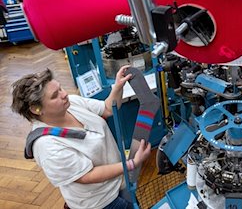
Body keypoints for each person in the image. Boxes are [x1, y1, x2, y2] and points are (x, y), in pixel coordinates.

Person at [11, 65, 151, 209]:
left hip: (120, 183)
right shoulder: (47, 146)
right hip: (102, 202)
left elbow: (108, 108)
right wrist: (132, 163)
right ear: (36, 109)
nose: (64, 94)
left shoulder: (71, 104)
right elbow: (87, 176)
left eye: (60, 88)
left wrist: (118, 86)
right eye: (55, 95)